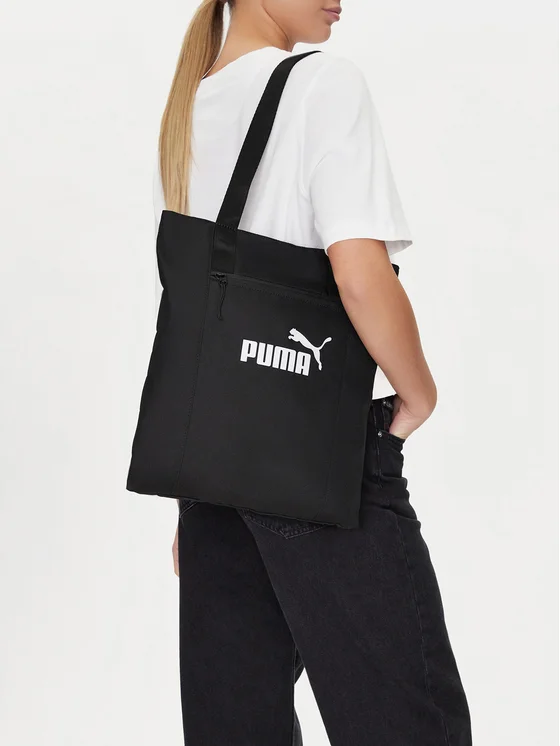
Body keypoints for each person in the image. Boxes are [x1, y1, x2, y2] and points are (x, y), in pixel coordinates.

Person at [151, 1, 472, 743]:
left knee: (237, 728)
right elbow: (359, 273)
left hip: (212, 472)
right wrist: (418, 391)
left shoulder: (190, 106)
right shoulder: (324, 83)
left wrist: (195, 491)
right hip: (317, 454)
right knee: (409, 723)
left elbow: (197, 318)